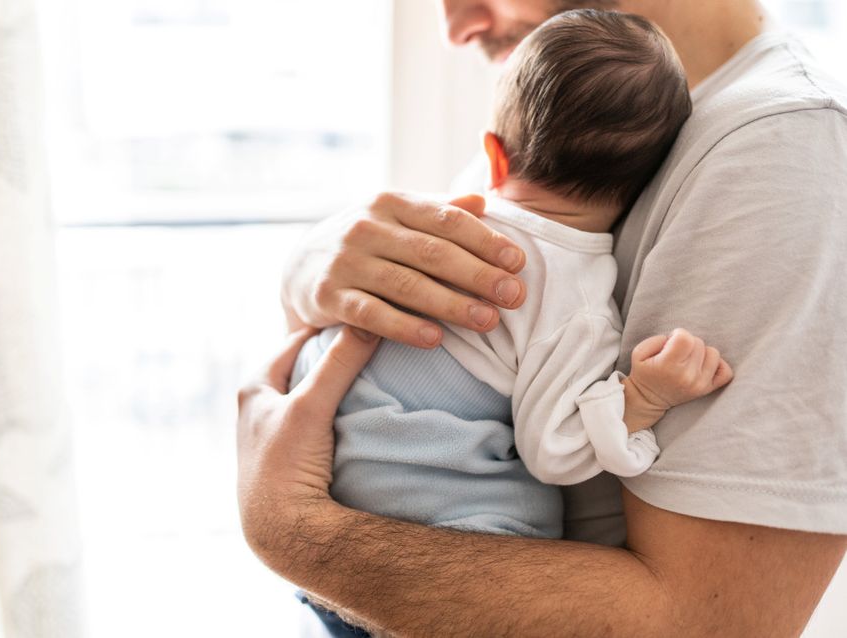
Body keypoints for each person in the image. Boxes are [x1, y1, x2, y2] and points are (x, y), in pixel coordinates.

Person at [237, 0, 847, 635]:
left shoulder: (783, 152)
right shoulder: (581, 104)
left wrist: (288, 526)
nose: (456, 27)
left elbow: (704, 625)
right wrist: (309, 271)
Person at [291, 9, 730, 550]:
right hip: (427, 512)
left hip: (327, 465)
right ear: (646, 185)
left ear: (494, 157)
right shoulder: (576, 303)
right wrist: (642, 397)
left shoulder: (441, 221)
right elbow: (556, 451)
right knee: (526, 519)